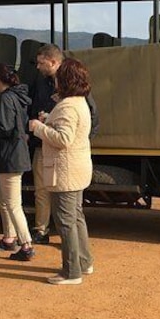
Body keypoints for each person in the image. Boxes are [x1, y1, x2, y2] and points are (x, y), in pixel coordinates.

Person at [29, 58, 95, 285]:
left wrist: (39, 128)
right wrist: (50, 120)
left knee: (66, 222)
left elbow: (64, 139)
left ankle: (71, 271)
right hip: (77, 169)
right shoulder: (79, 102)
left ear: (65, 80)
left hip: (65, 171)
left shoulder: (67, 105)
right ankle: (84, 262)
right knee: (76, 218)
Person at [0, 64, 35, 261]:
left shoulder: (6, 98)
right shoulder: (18, 96)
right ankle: (9, 238)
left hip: (9, 157)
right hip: (15, 155)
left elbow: (4, 127)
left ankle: (26, 245)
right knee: (5, 200)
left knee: (11, 203)